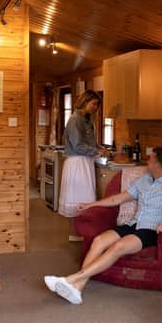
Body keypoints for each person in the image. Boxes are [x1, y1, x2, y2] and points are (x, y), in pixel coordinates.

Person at [45, 147, 162, 304]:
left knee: (118, 247)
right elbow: (118, 199)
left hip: (150, 230)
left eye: (151, 159)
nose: (147, 161)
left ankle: (71, 279)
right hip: (132, 224)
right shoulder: (144, 180)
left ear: (157, 164)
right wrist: (90, 205)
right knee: (99, 241)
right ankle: (78, 288)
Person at [57, 90, 108, 240]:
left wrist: (99, 148)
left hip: (85, 162)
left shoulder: (86, 119)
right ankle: (75, 233)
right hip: (77, 162)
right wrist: (96, 151)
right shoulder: (75, 120)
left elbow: (89, 142)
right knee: (79, 198)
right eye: (93, 104)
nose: (95, 107)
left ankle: (80, 232)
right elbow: (78, 145)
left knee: (83, 198)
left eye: (97, 105)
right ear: (85, 101)